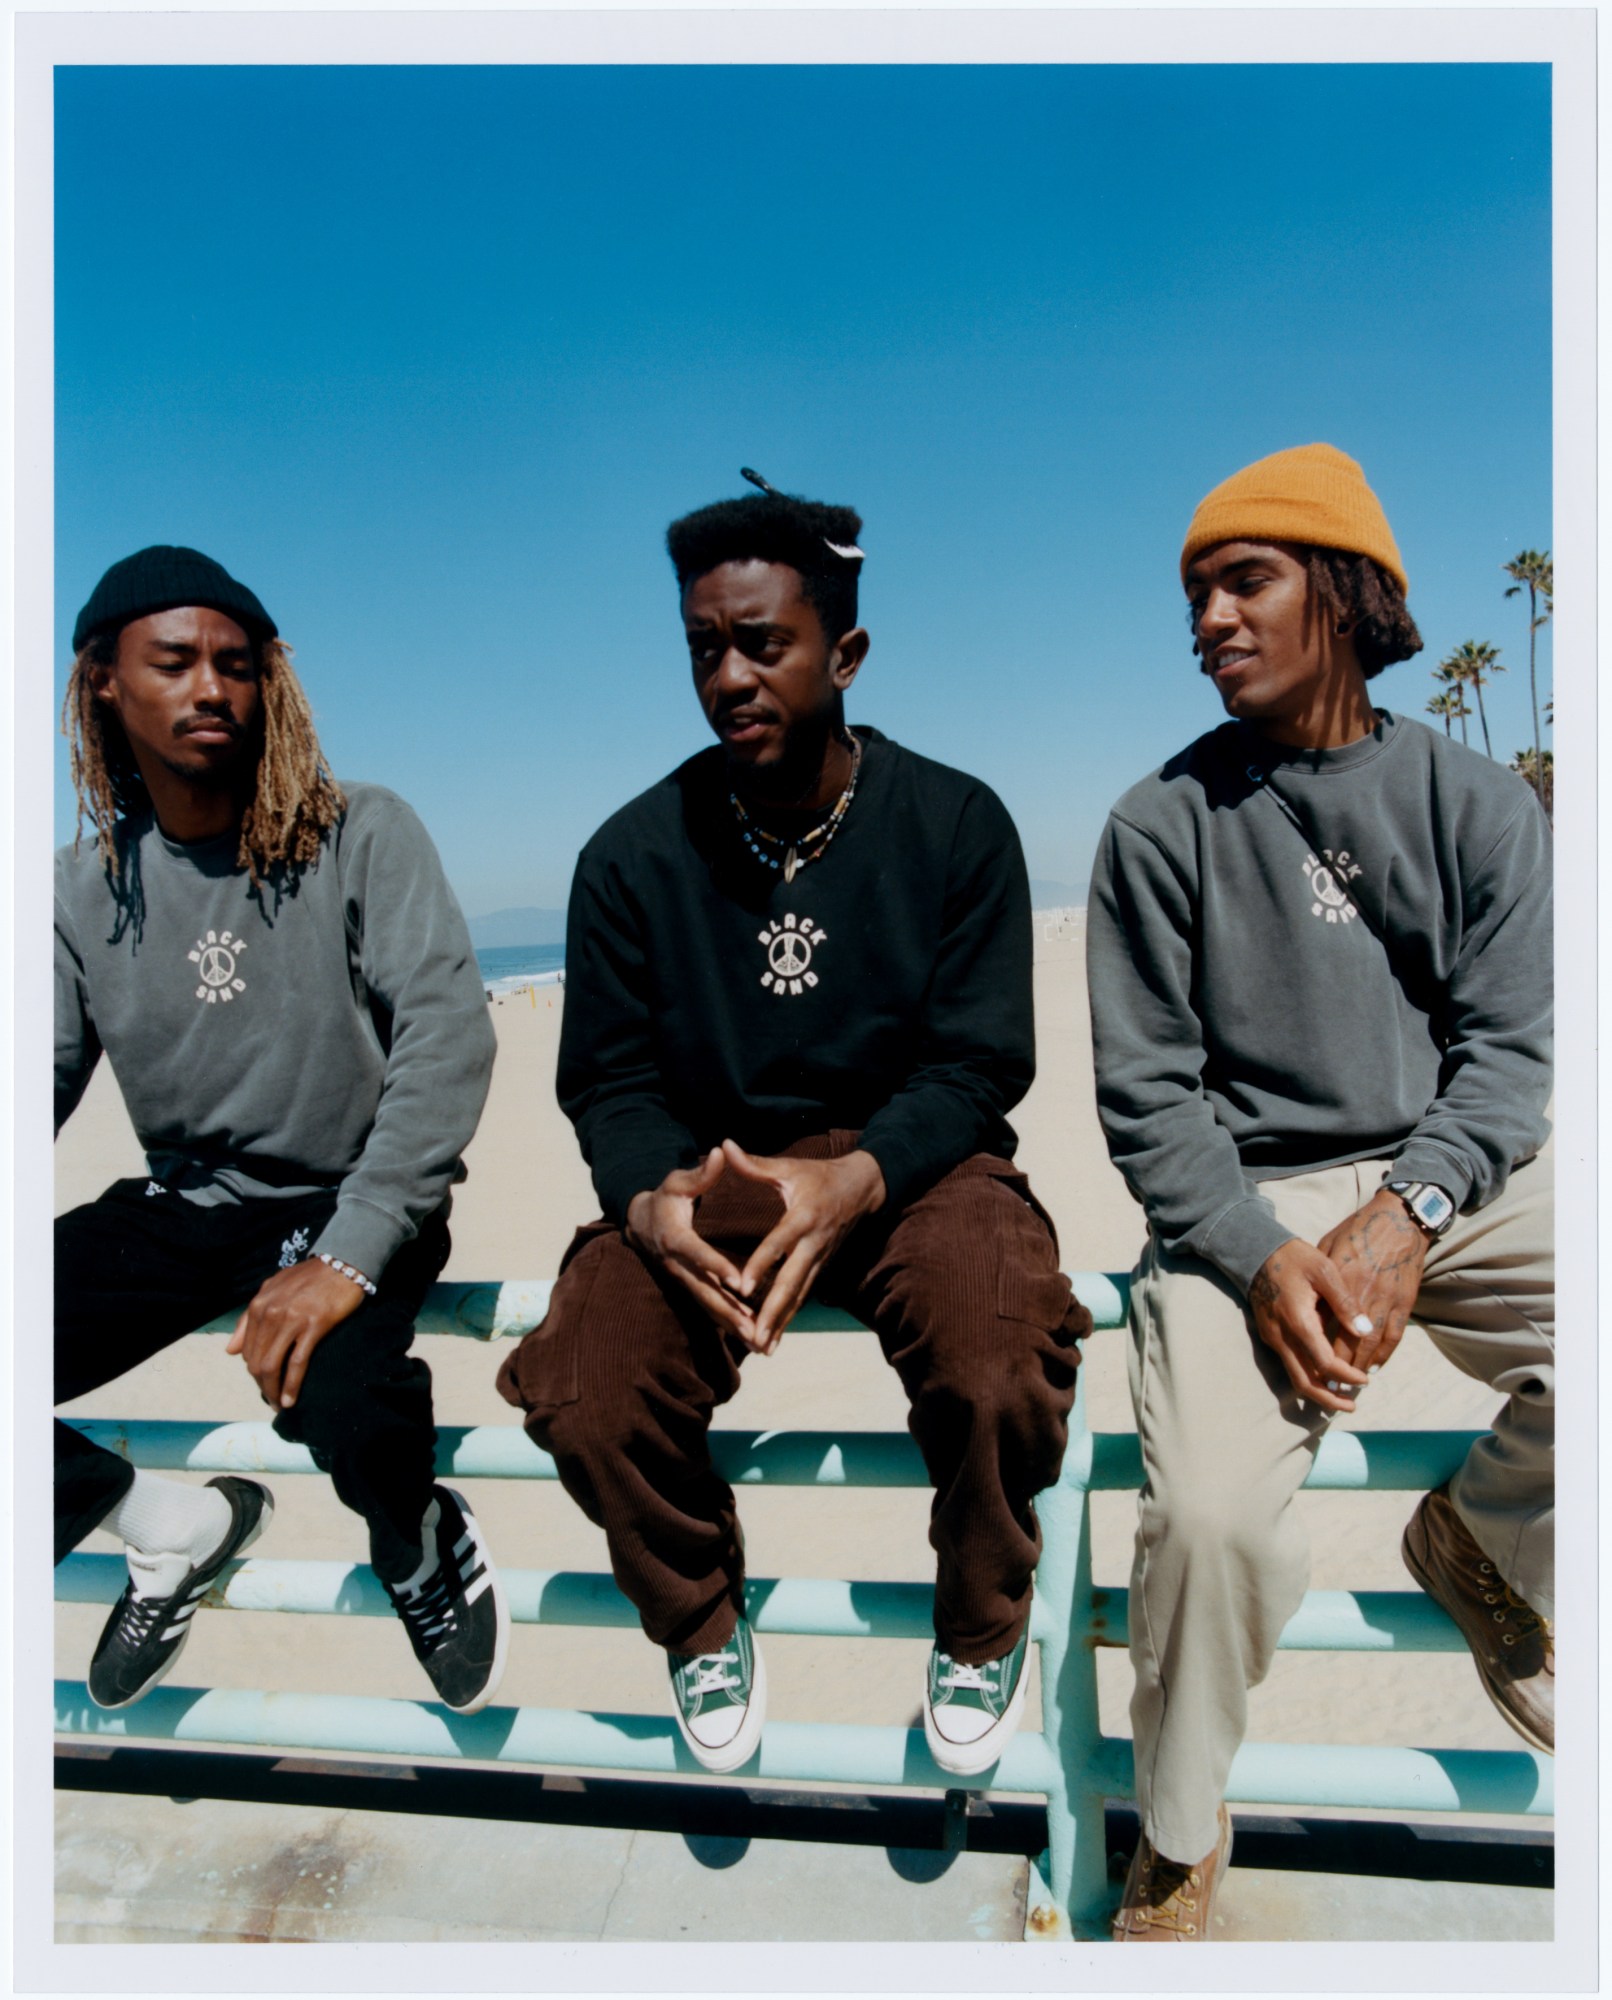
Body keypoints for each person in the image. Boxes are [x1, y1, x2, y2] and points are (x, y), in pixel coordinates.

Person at [497, 473, 1086, 1775]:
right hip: (712, 1172)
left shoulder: (959, 825)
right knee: (581, 1384)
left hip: (914, 1164)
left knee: (1006, 1353)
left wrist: (861, 1178)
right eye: (706, 647)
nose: (730, 677)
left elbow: (980, 1061)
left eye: (764, 644)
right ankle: (701, 1622)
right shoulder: (631, 856)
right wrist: (649, 1194)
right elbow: (608, 1079)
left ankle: (983, 1625)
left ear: (847, 653)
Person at [1087, 445, 1554, 1941]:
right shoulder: (1157, 827)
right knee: (1214, 1522)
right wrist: (1252, 1251)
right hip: (1246, 1204)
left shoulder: (1476, 801)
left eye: (1245, 580)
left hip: (1453, 1179)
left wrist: (1407, 1212)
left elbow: (1509, 1059)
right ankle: (1173, 1831)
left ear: (1346, 593)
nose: (1209, 618)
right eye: (1195, 596)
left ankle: (1480, 1535)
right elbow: (1147, 1100)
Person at [55, 545, 508, 1715]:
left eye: (237, 665)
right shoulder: (78, 890)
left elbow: (447, 1039)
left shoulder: (361, 829)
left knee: (345, 1400)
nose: (212, 686)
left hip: (355, 1197)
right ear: (105, 679)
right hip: (191, 1208)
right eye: (176, 662)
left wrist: (346, 1255)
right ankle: (166, 1526)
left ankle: (413, 1539)